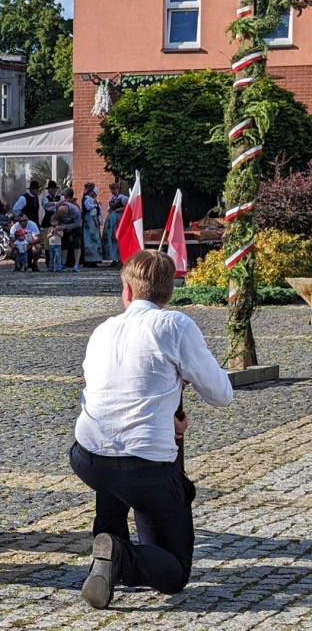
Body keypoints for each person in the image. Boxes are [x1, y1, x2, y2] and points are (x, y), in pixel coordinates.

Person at [70, 250, 233, 609]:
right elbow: (221, 394)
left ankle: (108, 536)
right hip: (144, 468)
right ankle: (119, 553)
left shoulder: (102, 329)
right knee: (174, 571)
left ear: (127, 291)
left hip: (88, 457)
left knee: (114, 462)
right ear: (169, 291)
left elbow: (102, 391)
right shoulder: (174, 325)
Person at [103, 181, 128, 267]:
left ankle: (120, 258)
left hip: (118, 218)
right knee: (111, 237)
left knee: (117, 237)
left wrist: (120, 209)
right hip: (111, 218)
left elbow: (128, 207)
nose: (113, 192)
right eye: (112, 190)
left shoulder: (123, 198)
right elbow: (109, 208)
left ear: (118, 189)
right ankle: (113, 258)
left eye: (114, 189)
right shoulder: (111, 198)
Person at [81, 182, 104, 267]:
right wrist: (95, 206)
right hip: (89, 220)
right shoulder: (87, 199)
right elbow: (89, 207)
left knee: (95, 239)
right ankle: (89, 259)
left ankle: (94, 258)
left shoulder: (93, 201)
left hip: (93, 221)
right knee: (89, 240)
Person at [61, 187, 83, 272]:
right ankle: (64, 263)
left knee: (76, 244)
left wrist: (65, 226)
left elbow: (77, 223)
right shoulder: (61, 204)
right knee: (65, 244)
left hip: (75, 226)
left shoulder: (75, 208)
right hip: (65, 225)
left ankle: (76, 264)